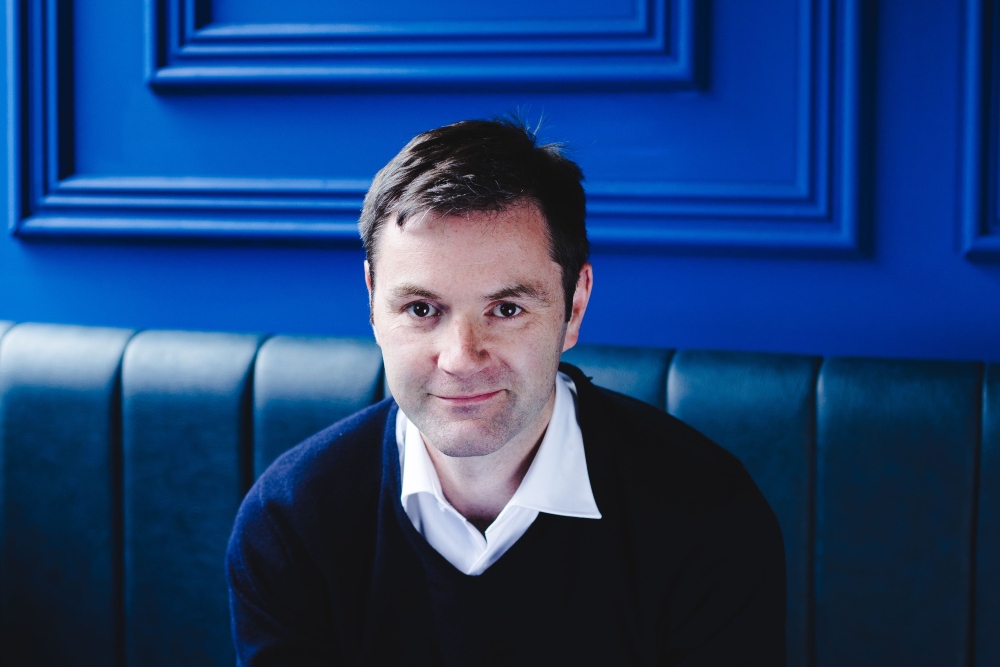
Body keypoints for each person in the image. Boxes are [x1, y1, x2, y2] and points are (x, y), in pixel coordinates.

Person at [226, 118, 786, 665]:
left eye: (507, 309)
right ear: (372, 302)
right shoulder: (291, 523)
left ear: (575, 305)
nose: (462, 358)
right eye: (422, 309)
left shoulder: (707, 513)